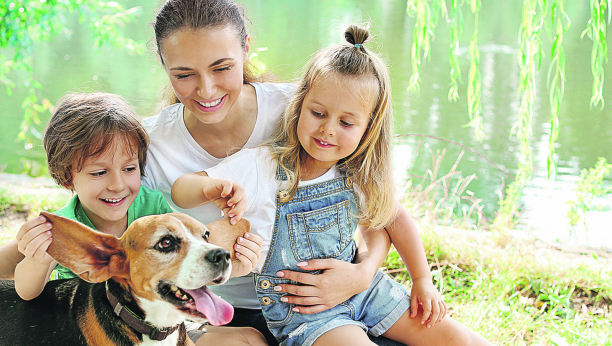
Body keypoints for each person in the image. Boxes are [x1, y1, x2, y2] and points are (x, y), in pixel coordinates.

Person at [171, 25, 494, 346]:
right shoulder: (264, 166)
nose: (327, 130)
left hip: (366, 291)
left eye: (346, 122)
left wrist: (422, 279)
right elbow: (181, 190)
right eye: (318, 113)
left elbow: (394, 218)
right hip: (307, 312)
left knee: (458, 339)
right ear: (299, 105)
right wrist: (209, 188)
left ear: (367, 128)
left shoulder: (356, 172)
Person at [145, 1, 399, 345]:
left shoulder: (305, 111)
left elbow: (380, 209)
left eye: (222, 68)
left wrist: (363, 273)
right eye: (184, 75)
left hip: (321, 303)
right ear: (163, 65)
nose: (206, 90)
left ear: (246, 47)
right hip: (211, 314)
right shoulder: (149, 145)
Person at [5, 92, 265, 345]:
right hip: (93, 320)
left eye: (129, 169)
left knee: (250, 339)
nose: (117, 185)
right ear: (67, 177)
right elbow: (27, 292)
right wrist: (39, 258)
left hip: (167, 318)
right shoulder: (66, 229)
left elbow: (185, 263)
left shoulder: (155, 209)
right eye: (99, 173)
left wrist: (232, 268)